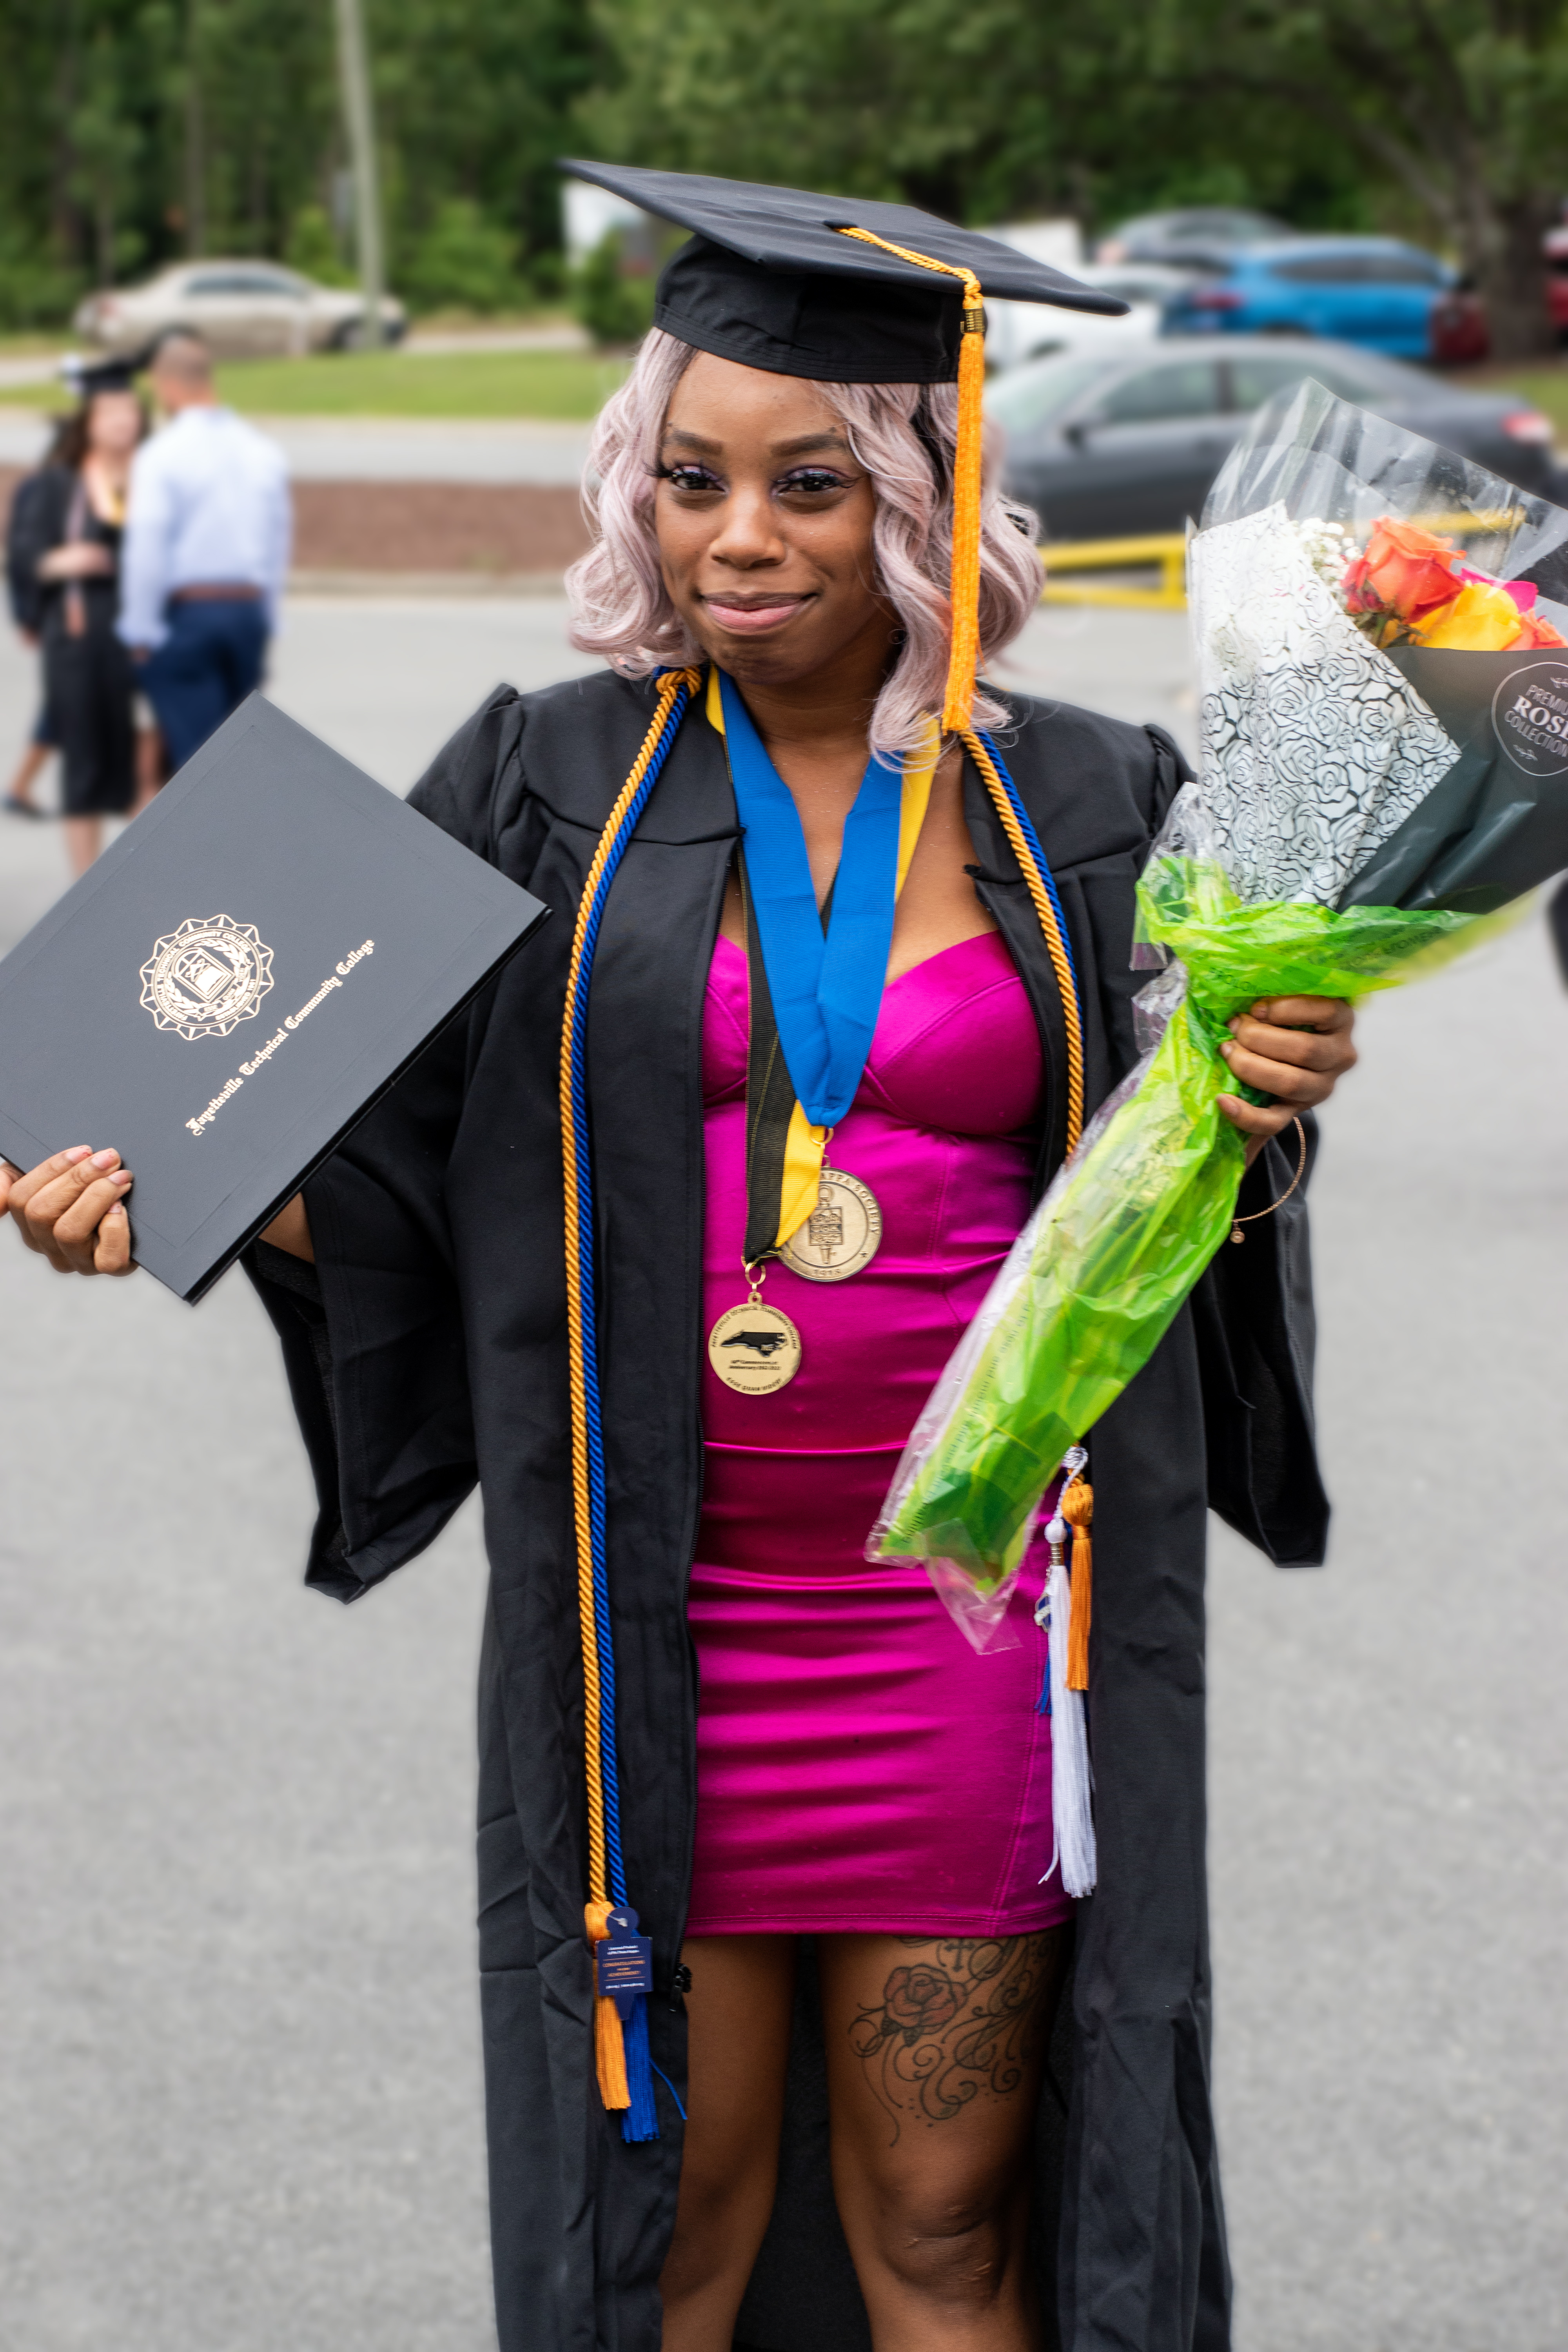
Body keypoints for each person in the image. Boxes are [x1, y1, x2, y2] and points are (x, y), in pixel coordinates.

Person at [2, 167, 1359, 2352]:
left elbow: (1181, 1196)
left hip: (966, 1625)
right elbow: (397, 1165)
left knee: (946, 2230)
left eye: (812, 483)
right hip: (658, 1653)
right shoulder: (541, 780)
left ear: (929, 493)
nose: (737, 533)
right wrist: (172, 1191)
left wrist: (1268, 1086)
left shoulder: (1094, 799)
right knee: (670, 2240)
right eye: (692, 473)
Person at [117, 331, 290, 772]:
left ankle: (215, 840)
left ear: (169, 383)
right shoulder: (261, 450)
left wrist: (140, 630)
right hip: (246, 612)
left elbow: (147, 550)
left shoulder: (162, 455)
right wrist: (267, 617)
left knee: (196, 768)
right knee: (238, 756)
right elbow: (277, 541)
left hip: (190, 615)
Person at [5, 366, 147, 872]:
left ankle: (151, 880)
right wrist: (58, 562)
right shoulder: (57, 485)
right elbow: (24, 555)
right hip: (80, 639)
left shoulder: (157, 477)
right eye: (109, 412)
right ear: (87, 421)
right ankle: (87, 889)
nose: (120, 422)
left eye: (129, 411)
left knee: (150, 765)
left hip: (149, 640)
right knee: (83, 761)